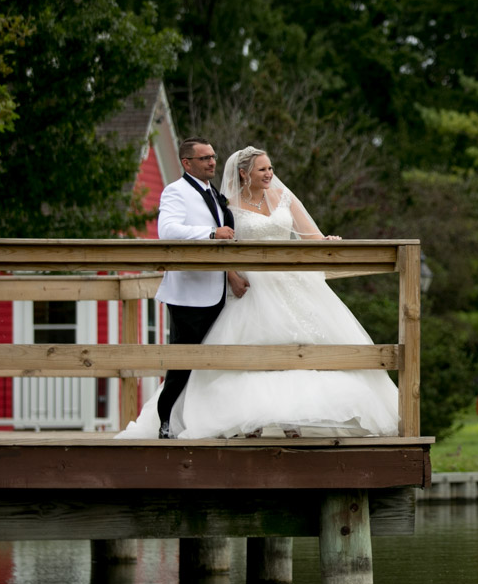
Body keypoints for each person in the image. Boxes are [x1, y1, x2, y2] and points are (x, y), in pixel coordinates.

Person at [118, 146, 399, 439]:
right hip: (252, 285)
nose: (269, 174)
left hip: (290, 283)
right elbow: (223, 246)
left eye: (270, 168)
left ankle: (295, 416)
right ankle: (251, 421)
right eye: (262, 169)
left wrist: (326, 241)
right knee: (250, 347)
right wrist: (232, 275)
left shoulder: (284, 198)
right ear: (244, 173)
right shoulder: (228, 205)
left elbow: (309, 234)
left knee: (303, 344)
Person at [151, 137, 235, 439]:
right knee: (182, 361)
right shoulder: (175, 191)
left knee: (214, 361)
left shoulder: (215, 193)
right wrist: (211, 232)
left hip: (219, 290)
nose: (212, 162)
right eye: (204, 158)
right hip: (188, 292)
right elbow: (168, 231)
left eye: (213, 156)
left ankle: (207, 422)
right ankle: (165, 421)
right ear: (187, 163)